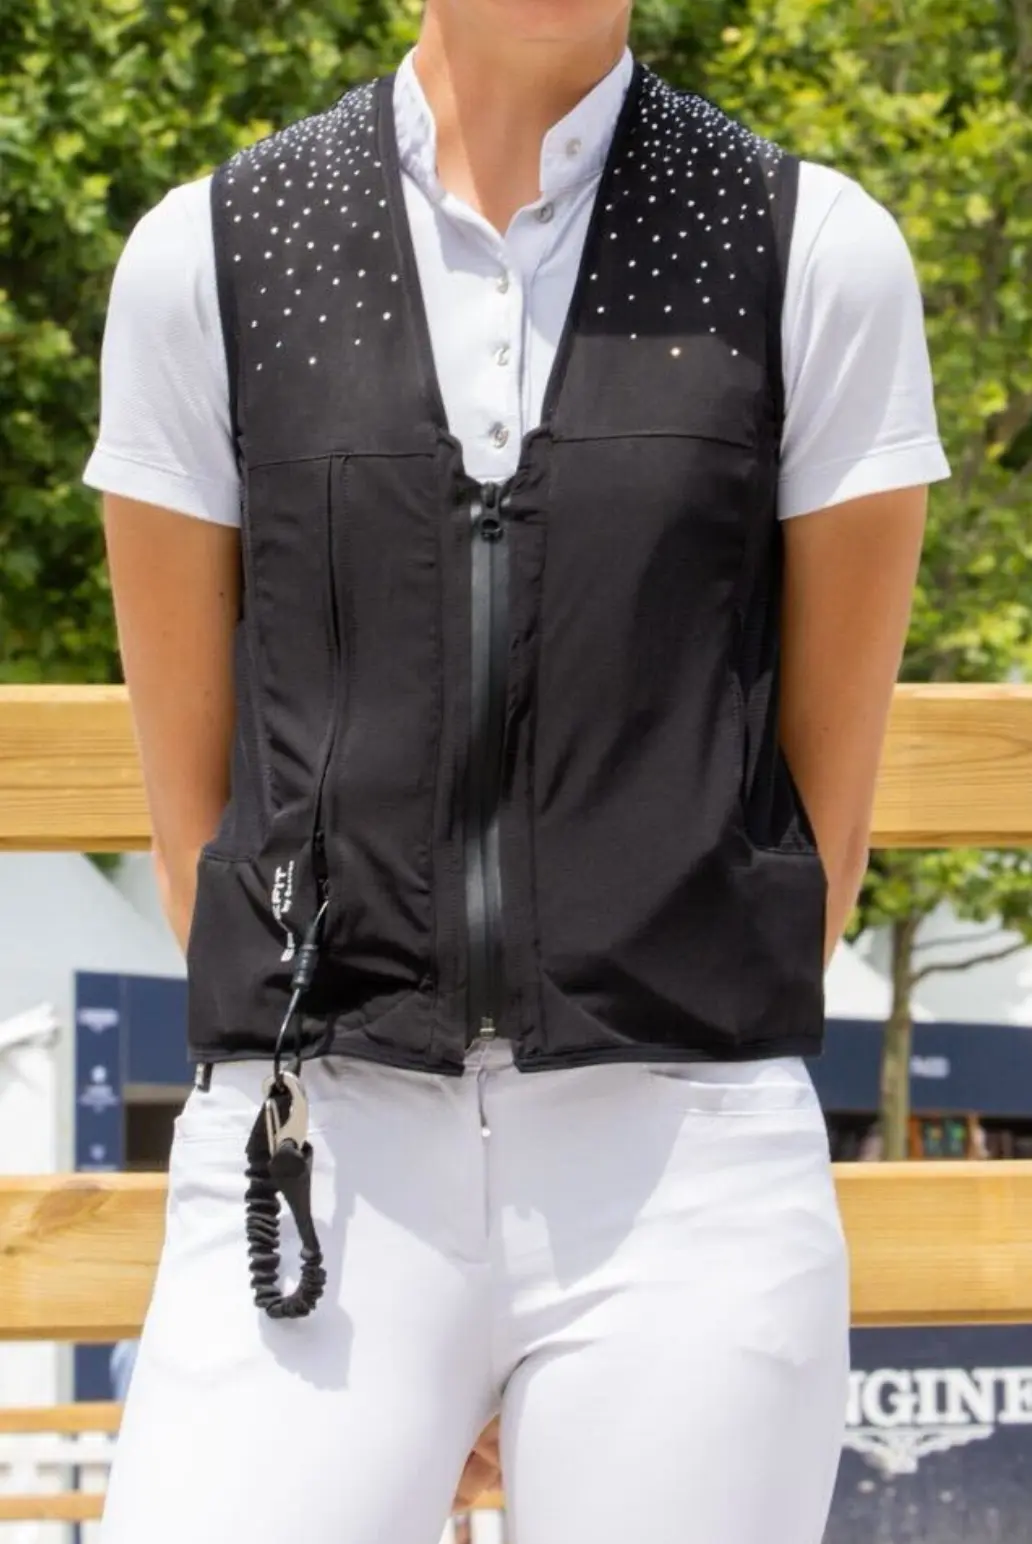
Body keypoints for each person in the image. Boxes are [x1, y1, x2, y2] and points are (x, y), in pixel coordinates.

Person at [84, 1, 950, 1540]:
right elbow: (194, 817)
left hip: (684, 1162)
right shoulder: (210, 257)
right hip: (321, 1145)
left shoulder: (811, 250)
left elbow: (818, 822)